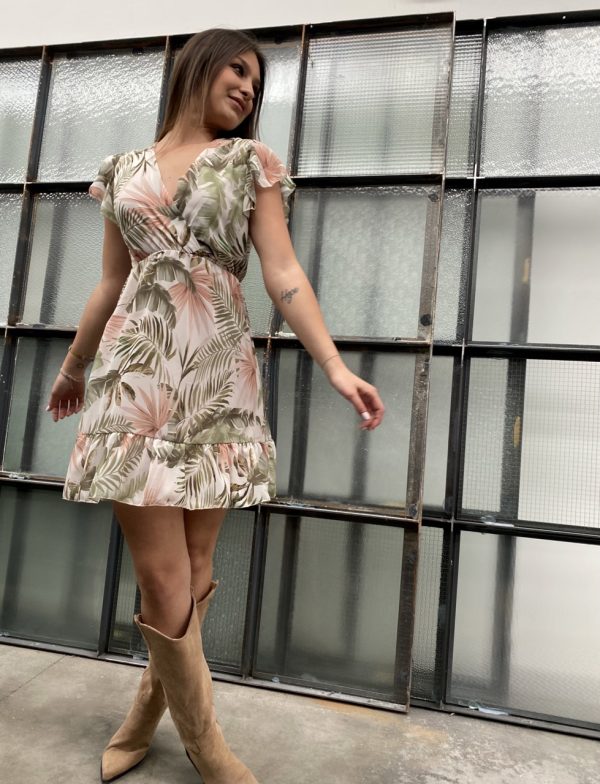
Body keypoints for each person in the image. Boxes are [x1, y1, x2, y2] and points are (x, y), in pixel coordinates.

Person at [46, 27, 385, 784]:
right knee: (162, 576)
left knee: (197, 568)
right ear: (196, 66)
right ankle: (208, 745)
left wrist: (334, 366)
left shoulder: (249, 162)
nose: (247, 87)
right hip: (134, 381)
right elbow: (111, 282)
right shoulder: (122, 170)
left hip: (217, 377)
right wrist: (72, 368)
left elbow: (283, 272)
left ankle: (145, 714)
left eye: (256, 82)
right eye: (237, 69)